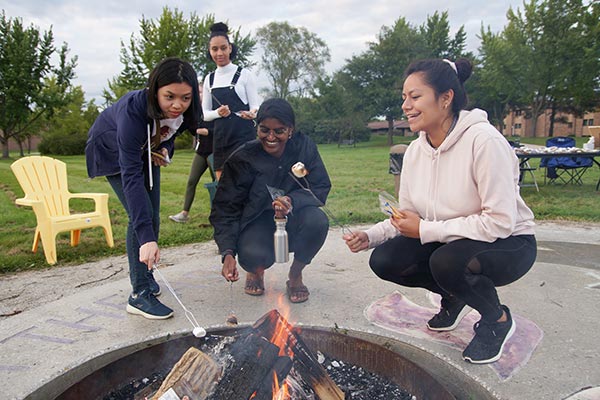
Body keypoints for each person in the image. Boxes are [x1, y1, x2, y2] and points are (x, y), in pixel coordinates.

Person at [344, 58, 537, 364]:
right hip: (450, 241)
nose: (406, 106)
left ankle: (496, 320)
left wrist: (426, 230)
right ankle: (455, 295)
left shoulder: (484, 141)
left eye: (415, 96)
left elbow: (500, 222)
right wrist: (370, 236)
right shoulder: (416, 151)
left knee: (446, 261)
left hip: (509, 244)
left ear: (446, 98)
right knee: (386, 259)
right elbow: (406, 216)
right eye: (404, 98)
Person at [86, 57, 200, 319]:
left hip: (145, 147)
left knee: (153, 215)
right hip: (112, 150)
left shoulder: (183, 110)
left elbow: (170, 133)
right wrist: (147, 240)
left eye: (185, 98)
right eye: (169, 96)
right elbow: (131, 175)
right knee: (141, 217)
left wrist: (164, 150)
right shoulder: (132, 111)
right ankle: (139, 295)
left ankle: (146, 278)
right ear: (154, 89)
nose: (177, 105)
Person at [209, 98, 331, 303]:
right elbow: (224, 207)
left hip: (295, 217)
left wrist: (292, 200)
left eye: (279, 131)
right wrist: (227, 251)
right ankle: (255, 272)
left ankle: (295, 275)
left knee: (318, 221)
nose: (271, 137)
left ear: (290, 130)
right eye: (264, 130)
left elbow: (320, 187)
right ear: (257, 128)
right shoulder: (243, 158)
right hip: (257, 221)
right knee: (252, 255)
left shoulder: (304, 147)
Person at [202, 22, 261, 180]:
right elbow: (205, 114)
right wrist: (217, 113)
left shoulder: (244, 74)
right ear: (210, 51)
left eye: (223, 48)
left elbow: (255, 106)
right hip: (221, 139)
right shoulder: (209, 79)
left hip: (244, 137)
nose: (219, 53)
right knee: (224, 188)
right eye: (215, 49)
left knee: (246, 183)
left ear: (230, 48)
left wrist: (252, 113)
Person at [169, 92, 216, 223]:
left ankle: (218, 214)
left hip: (215, 151)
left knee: (217, 184)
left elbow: (223, 128)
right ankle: (184, 214)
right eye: (198, 92)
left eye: (201, 92)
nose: (199, 94)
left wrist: (208, 131)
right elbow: (188, 126)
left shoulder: (214, 109)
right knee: (191, 181)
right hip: (201, 151)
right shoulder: (193, 112)